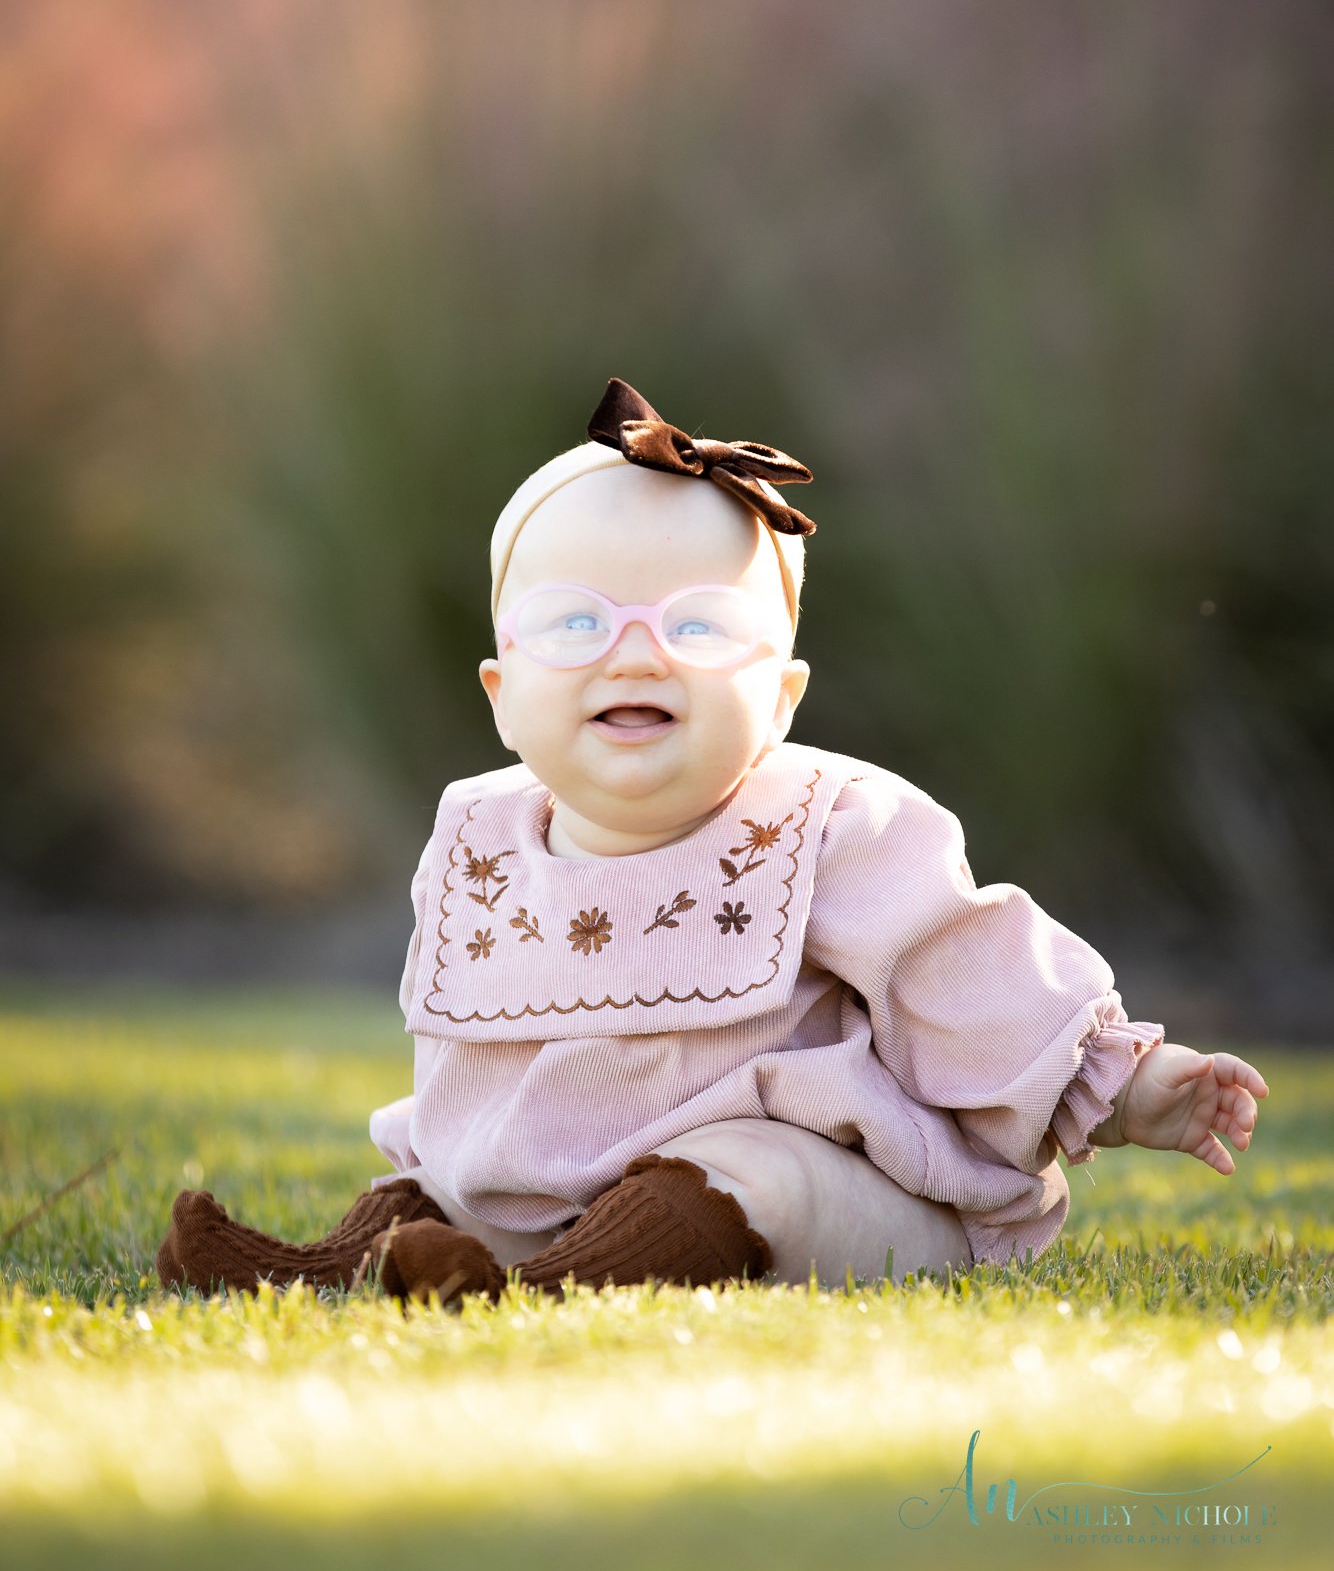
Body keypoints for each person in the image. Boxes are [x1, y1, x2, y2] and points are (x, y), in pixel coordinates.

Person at [156, 378, 1269, 1304]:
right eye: (574, 624)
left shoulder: (823, 821)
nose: (634, 657)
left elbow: (969, 973)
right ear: (501, 692)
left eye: (697, 627)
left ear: (780, 695)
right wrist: (450, 1178)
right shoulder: (478, 836)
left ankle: (552, 1290)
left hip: (842, 1193)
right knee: (445, 1183)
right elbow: (468, 1083)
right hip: (547, 1193)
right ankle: (336, 1267)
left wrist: (1123, 1084)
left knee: (751, 1168)